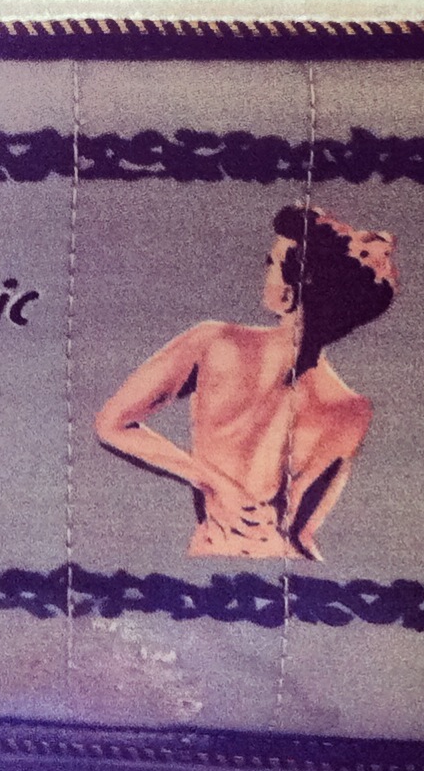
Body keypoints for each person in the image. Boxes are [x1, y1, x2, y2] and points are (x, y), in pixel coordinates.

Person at [95, 206, 398, 560]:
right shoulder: (353, 408)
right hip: (286, 560)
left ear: (287, 294)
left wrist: (211, 482)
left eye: (271, 263)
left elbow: (111, 424)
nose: (265, 269)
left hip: (215, 551)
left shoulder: (213, 342)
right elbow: (300, 532)